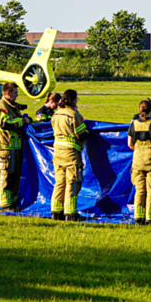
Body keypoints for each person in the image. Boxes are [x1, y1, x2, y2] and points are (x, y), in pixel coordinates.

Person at [51, 89, 89, 221]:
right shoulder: (73, 115)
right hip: (71, 153)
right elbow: (82, 134)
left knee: (59, 182)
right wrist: (86, 127)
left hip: (57, 153)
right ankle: (70, 213)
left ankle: (56, 212)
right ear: (72, 100)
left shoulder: (56, 114)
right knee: (72, 182)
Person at [0, 82, 31, 212]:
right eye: (15, 93)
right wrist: (23, 121)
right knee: (7, 176)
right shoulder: (1, 106)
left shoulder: (12, 106)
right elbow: (4, 124)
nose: (17, 95)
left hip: (15, 147)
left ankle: (12, 202)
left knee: (15, 176)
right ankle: (4, 204)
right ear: (8, 93)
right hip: (6, 148)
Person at [128, 100, 151, 225]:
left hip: (137, 158)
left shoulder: (134, 124)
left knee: (139, 189)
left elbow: (129, 144)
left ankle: (138, 217)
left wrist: (139, 150)